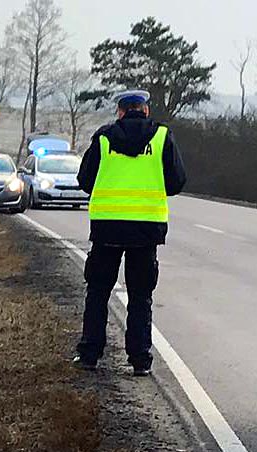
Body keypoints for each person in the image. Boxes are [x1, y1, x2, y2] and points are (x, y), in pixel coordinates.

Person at [73, 89, 187, 376]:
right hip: (146, 231)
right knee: (140, 297)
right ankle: (140, 360)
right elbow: (176, 183)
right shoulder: (162, 137)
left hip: (107, 228)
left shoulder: (103, 137)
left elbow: (85, 180)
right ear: (145, 110)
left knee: (98, 292)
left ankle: (89, 354)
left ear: (120, 112)